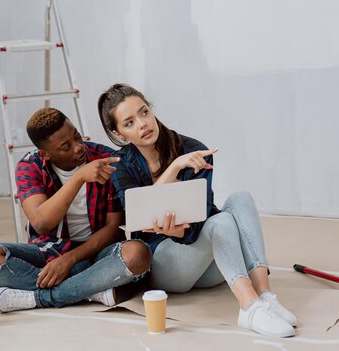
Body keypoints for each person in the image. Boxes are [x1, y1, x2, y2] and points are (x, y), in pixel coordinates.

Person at [98, 84, 297, 338]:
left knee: (240, 199)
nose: (142, 124)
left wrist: (183, 231)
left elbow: (201, 214)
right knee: (222, 222)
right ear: (120, 133)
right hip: (167, 267)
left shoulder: (193, 149)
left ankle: (264, 296)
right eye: (129, 122)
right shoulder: (121, 164)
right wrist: (175, 168)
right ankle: (249, 307)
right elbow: (138, 212)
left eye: (144, 112)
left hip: (211, 265)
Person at [0, 107, 151, 313]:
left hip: (98, 252)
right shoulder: (30, 166)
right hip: (49, 251)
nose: (78, 147)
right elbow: (41, 222)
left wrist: (70, 259)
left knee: (137, 254)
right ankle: (87, 289)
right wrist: (79, 178)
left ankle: (39, 297)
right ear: (45, 154)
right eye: (66, 146)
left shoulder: (105, 158)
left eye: (76, 136)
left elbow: (114, 228)